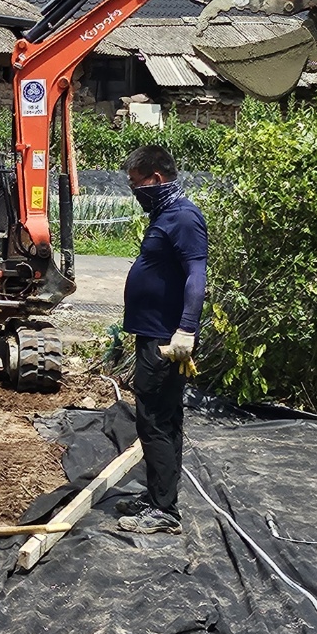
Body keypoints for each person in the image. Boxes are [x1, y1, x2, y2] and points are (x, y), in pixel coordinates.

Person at [117, 145, 208, 536]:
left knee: (154, 418)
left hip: (166, 338)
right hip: (153, 332)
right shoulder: (166, 213)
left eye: (137, 184)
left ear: (155, 178)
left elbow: (196, 276)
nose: (135, 191)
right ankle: (160, 495)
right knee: (164, 417)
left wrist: (186, 329)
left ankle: (163, 511)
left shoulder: (184, 217)